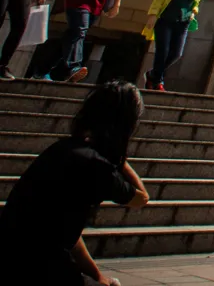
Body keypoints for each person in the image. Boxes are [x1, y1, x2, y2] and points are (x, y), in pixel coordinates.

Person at [0, 79, 150, 284]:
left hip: (14, 254)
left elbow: (67, 231)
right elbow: (141, 198)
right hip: (35, 266)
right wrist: (120, 159)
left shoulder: (64, 149)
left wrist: (98, 276)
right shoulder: (96, 166)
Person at [142, 0, 206, 91]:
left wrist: (193, 12)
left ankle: (153, 74)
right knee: (162, 51)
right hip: (165, 19)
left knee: (176, 53)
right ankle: (158, 80)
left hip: (183, 22)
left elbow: (196, 1)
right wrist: (153, 14)